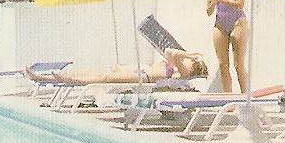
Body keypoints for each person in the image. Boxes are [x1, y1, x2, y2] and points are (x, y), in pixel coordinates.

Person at [38, 48, 208, 87]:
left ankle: (71, 80)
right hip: (138, 72)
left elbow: (174, 53)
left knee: (105, 78)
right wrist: (189, 55)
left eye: (191, 62)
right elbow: (169, 51)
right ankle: (44, 78)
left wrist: (190, 56)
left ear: (194, 67)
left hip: (143, 77)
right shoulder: (176, 66)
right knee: (95, 72)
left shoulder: (184, 72)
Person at [205, 0, 248, 94]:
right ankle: (228, 97)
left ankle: (245, 96)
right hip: (220, 23)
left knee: (238, 65)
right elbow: (208, 12)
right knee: (223, 65)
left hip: (237, 22)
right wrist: (213, 2)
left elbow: (240, 4)